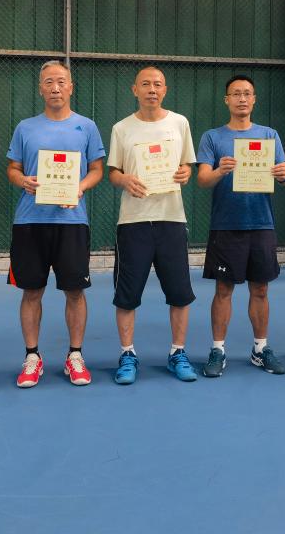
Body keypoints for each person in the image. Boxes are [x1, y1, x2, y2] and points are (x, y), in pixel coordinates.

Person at [5, 60, 105, 387]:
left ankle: (75, 356)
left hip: (72, 222)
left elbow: (97, 170)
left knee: (75, 291)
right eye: (49, 82)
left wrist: (79, 187)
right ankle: (32, 357)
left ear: (71, 87)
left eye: (61, 81)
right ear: (41, 89)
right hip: (30, 222)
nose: (55, 87)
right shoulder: (25, 128)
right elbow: (13, 169)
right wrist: (23, 180)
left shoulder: (87, 127)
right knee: (32, 291)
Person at [107, 66, 198, 384]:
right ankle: (127, 354)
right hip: (133, 222)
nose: (152, 89)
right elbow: (113, 172)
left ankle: (178, 353)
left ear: (165, 90)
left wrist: (186, 172)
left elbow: (186, 165)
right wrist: (124, 180)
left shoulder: (179, 123)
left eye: (157, 84)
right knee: (127, 294)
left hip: (172, 219)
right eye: (145, 84)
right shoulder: (121, 128)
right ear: (135, 90)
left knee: (180, 292)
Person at [196, 75, 285, 377]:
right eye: (236, 93)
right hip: (226, 225)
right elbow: (202, 179)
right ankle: (218, 349)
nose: (241, 98)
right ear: (227, 99)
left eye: (247, 93)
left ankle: (260, 348)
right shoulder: (212, 137)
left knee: (260, 289)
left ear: (254, 99)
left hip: (261, 223)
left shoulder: (269, 135)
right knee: (223, 289)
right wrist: (220, 171)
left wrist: (283, 174)